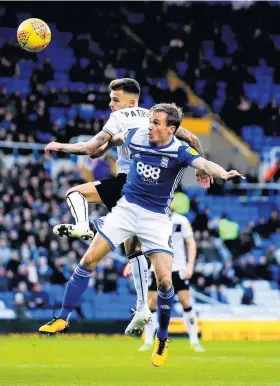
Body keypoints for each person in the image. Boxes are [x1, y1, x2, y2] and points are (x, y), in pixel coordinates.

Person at [40, 103, 244, 367]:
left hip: (156, 219)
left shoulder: (178, 151)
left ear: (171, 129)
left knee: (164, 282)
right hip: (126, 209)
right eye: (150, 121)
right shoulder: (136, 135)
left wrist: (221, 173)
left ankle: (161, 338)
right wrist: (76, 148)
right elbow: (105, 142)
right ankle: (62, 318)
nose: (150, 126)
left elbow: (203, 161)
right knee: (88, 260)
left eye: (156, 123)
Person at [44, 78, 211, 335]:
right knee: (133, 249)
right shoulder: (154, 118)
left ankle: (81, 227)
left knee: (76, 196)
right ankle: (143, 307)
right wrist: (202, 168)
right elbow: (190, 136)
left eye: (115, 99)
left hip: (128, 184)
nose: (111, 104)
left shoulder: (120, 117)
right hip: (151, 193)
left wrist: (61, 146)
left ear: (130, 102)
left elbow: (90, 147)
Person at [123, 205, 205, 353]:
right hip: (156, 267)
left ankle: (194, 340)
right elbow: (141, 243)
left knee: (186, 301)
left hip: (178, 268)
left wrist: (190, 266)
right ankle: (148, 340)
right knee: (152, 303)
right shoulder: (151, 220)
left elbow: (191, 243)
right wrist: (132, 262)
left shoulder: (181, 221)